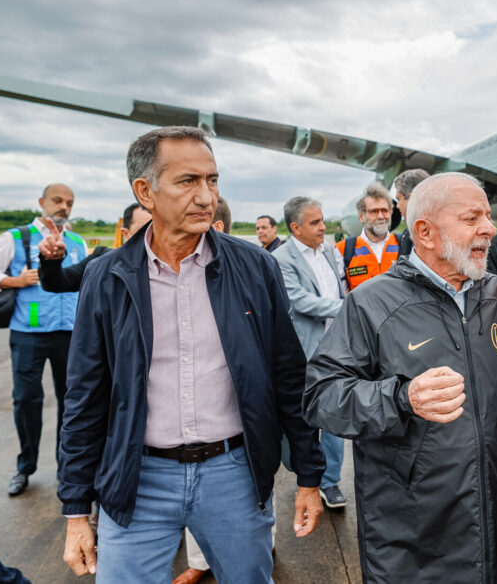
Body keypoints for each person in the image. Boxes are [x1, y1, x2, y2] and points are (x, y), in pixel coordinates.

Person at [58, 126, 325, 583]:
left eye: (213, 180)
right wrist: (76, 510)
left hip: (233, 476)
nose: (206, 196)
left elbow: (287, 376)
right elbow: (85, 396)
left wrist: (309, 475)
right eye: (188, 181)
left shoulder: (255, 267)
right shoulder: (106, 277)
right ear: (146, 191)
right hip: (137, 480)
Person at [305, 172, 497, 583]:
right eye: (472, 218)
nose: (490, 228)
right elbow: (321, 396)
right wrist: (401, 398)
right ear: (425, 232)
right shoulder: (370, 303)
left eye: (488, 217)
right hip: (410, 535)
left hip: (490, 526)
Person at [0, 183, 87, 497]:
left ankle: (67, 468)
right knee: (26, 399)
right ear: (42, 202)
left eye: (69, 202)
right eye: (57, 200)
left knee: (73, 403)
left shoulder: (77, 241)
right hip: (29, 333)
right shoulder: (15, 237)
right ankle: (25, 467)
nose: (64, 206)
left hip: (71, 334)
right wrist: (14, 280)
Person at [273, 196, 349, 512]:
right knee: (300, 418)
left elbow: (340, 287)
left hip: (339, 351)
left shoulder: (331, 251)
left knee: (335, 416)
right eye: (315, 223)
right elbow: (300, 301)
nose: (323, 227)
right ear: (295, 227)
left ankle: (329, 482)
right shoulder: (282, 258)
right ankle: (302, 470)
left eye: (322, 220)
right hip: (304, 352)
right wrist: (349, 307)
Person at [39, 203, 152, 294]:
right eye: (144, 230)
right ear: (125, 233)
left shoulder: (168, 268)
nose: (153, 235)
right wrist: (52, 260)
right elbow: (57, 283)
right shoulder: (102, 262)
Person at [337, 183, 400, 290]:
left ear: (391, 212)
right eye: (374, 211)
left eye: (384, 210)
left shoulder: (405, 246)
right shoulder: (343, 250)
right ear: (362, 217)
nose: (380, 216)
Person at [392, 168, 430, 256]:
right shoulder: (407, 235)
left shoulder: (435, 235)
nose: (397, 206)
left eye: (399, 199)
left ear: (412, 198)